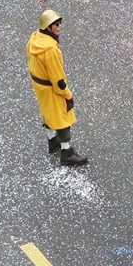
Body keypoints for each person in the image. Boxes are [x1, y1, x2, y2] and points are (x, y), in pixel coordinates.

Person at [27, 10, 87, 166]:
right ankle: (66, 152)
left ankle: (52, 141)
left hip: (39, 86)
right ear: (48, 28)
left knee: (47, 113)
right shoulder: (51, 50)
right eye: (56, 25)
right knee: (62, 117)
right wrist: (67, 94)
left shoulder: (34, 39)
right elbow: (58, 79)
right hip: (51, 88)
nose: (59, 27)